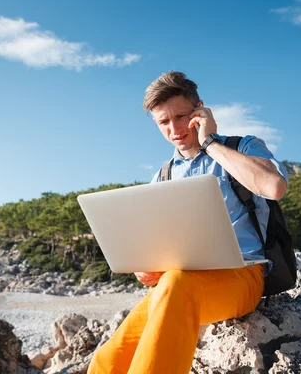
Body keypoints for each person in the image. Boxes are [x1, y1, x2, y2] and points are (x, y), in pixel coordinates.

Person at [87, 71, 289, 374]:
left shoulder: (242, 147)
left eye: (181, 116)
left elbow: (274, 186)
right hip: (176, 284)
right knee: (109, 360)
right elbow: (157, 244)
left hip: (244, 276)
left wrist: (210, 144)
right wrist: (146, 266)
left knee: (177, 284)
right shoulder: (163, 176)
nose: (174, 129)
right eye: (163, 122)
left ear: (201, 111)